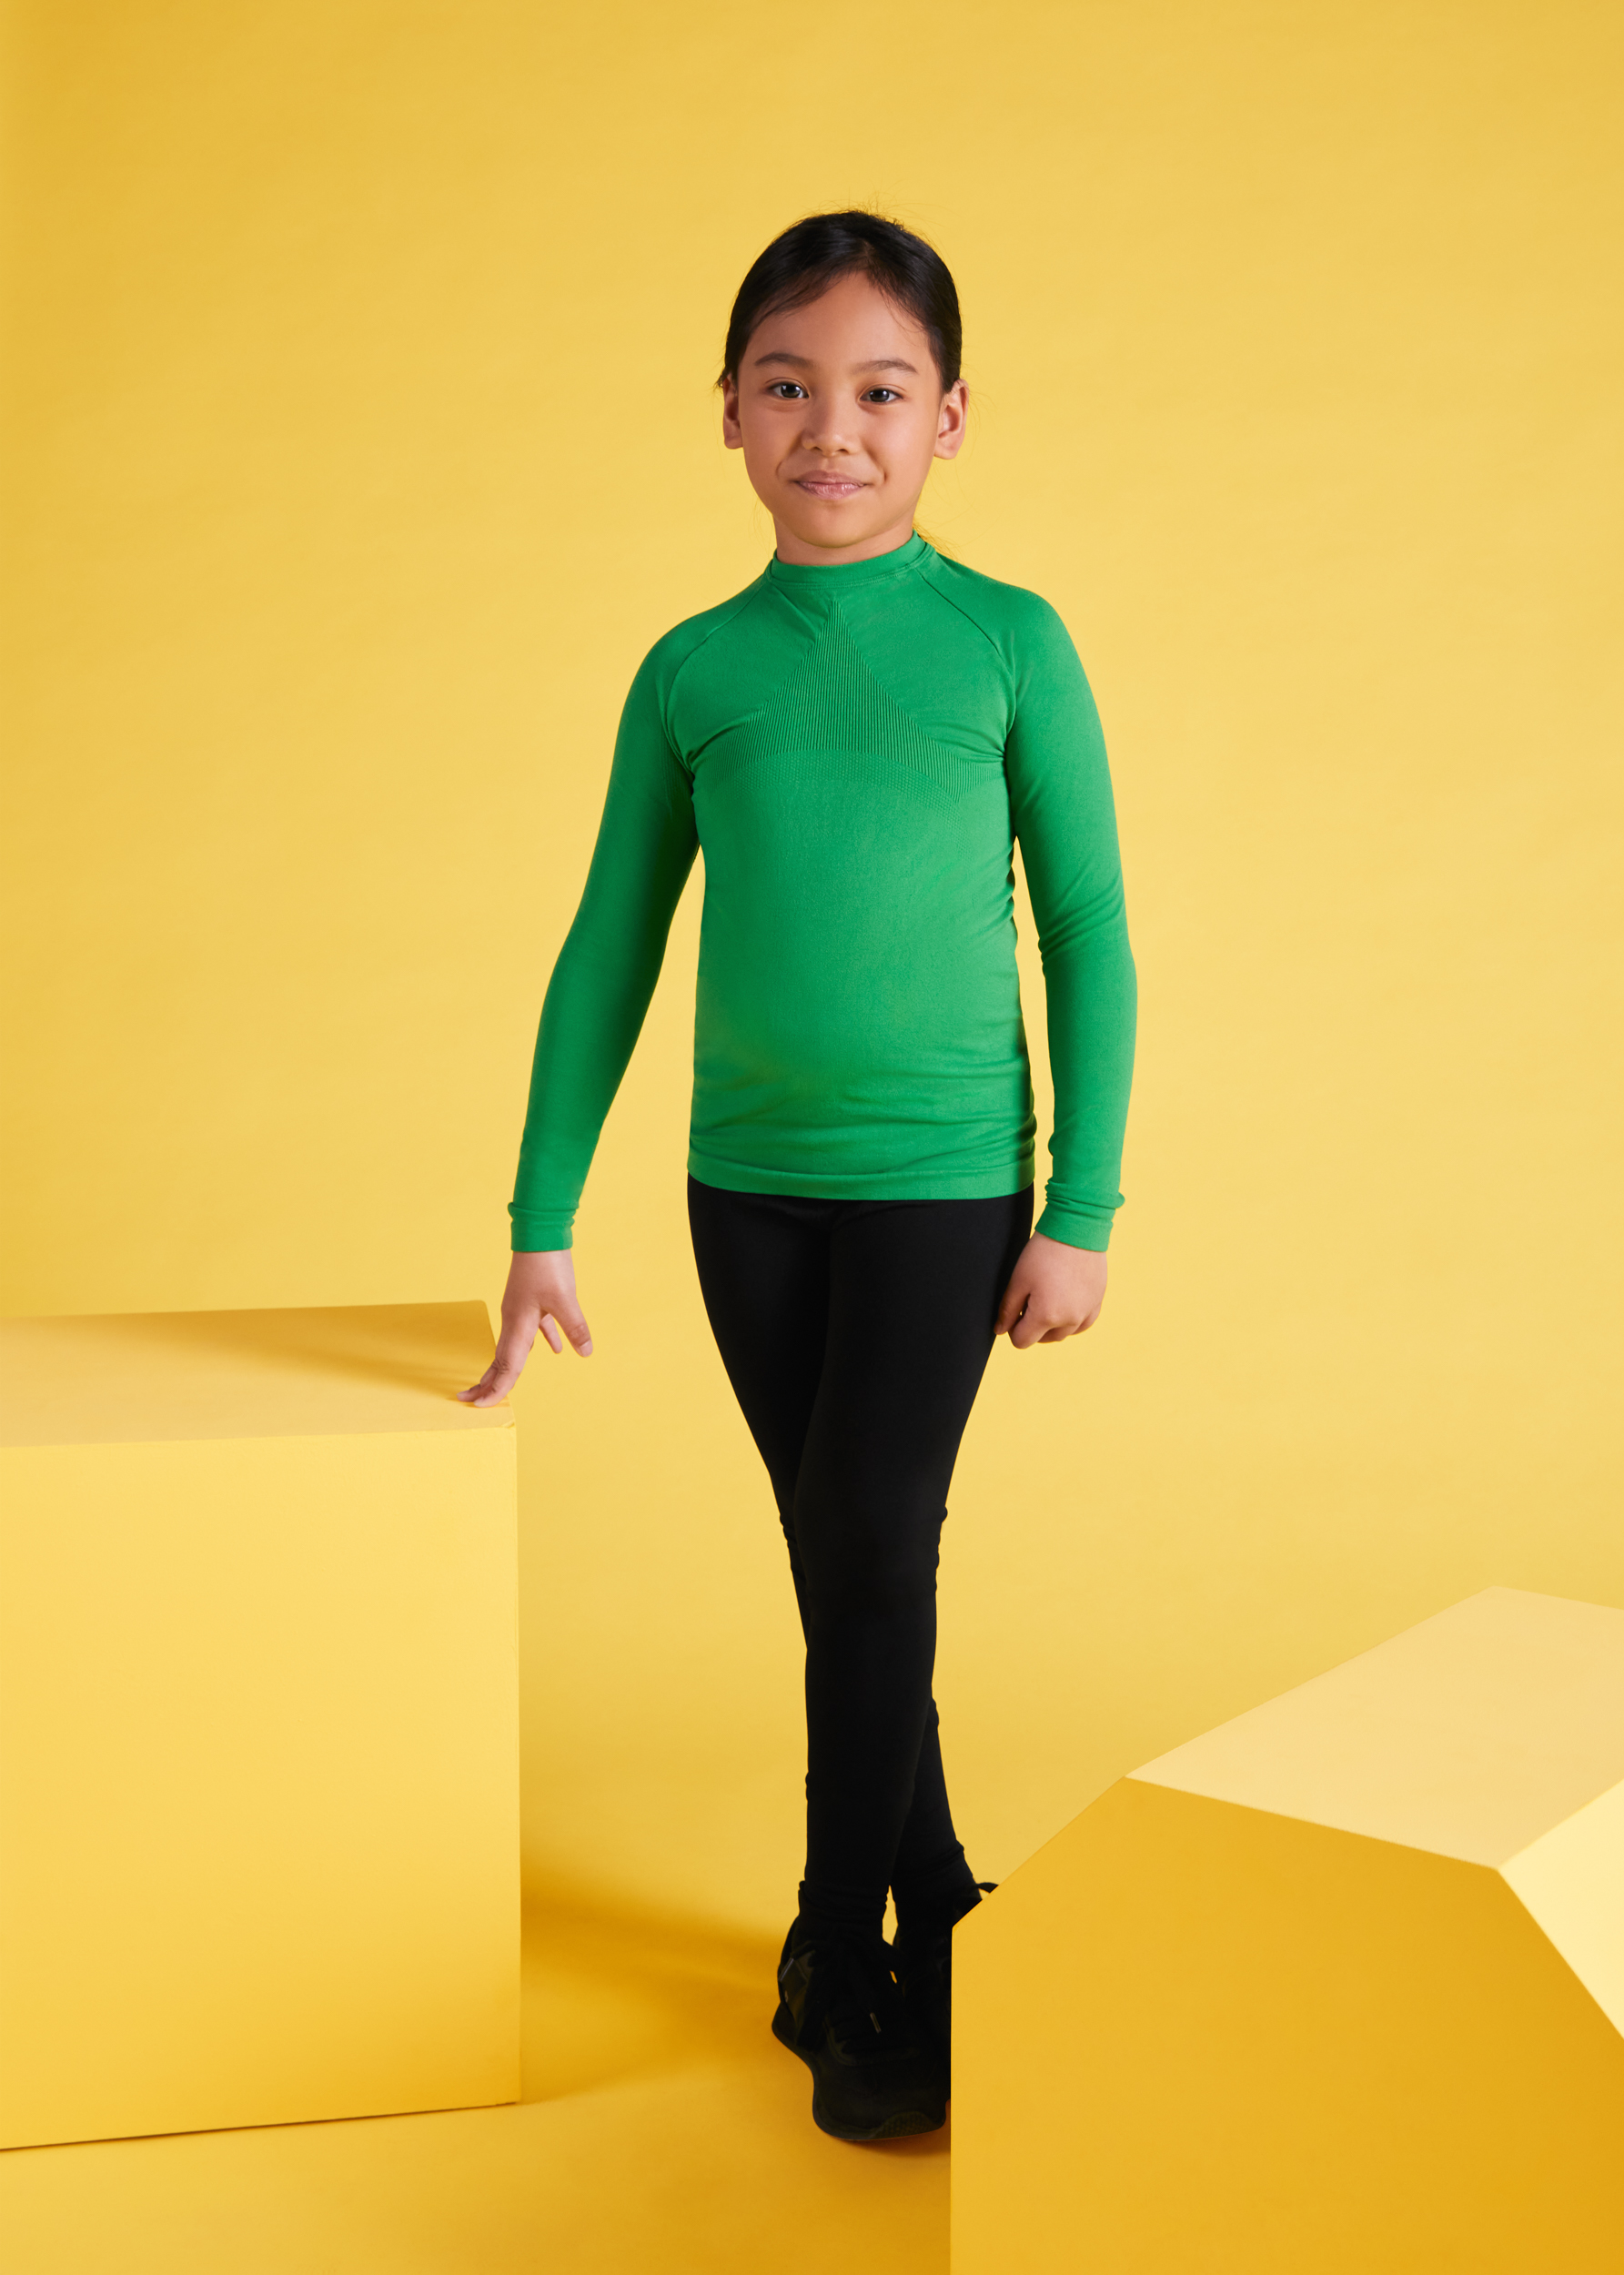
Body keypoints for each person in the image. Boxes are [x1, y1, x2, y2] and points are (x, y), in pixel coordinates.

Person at [461, 210, 1136, 2142]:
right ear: (730, 413)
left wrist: (1081, 1206)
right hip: (743, 1196)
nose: (830, 428)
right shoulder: (695, 672)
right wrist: (539, 1218)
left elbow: (1086, 926)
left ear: (948, 419)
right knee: (850, 1560)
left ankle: (837, 1948)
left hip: (944, 1186)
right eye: (787, 386)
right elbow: (610, 941)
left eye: (878, 391)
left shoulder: (1009, 642)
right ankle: (941, 1895)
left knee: (866, 1532)